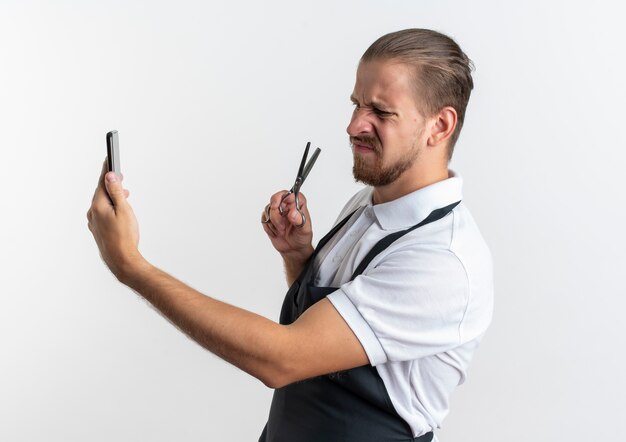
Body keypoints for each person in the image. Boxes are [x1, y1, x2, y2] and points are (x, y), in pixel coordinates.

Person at [87, 28, 493, 442]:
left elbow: (282, 359)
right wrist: (299, 257)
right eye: (356, 104)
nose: (354, 126)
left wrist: (130, 265)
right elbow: (333, 335)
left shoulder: (442, 260)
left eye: (381, 112)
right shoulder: (367, 205)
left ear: (439, 126)